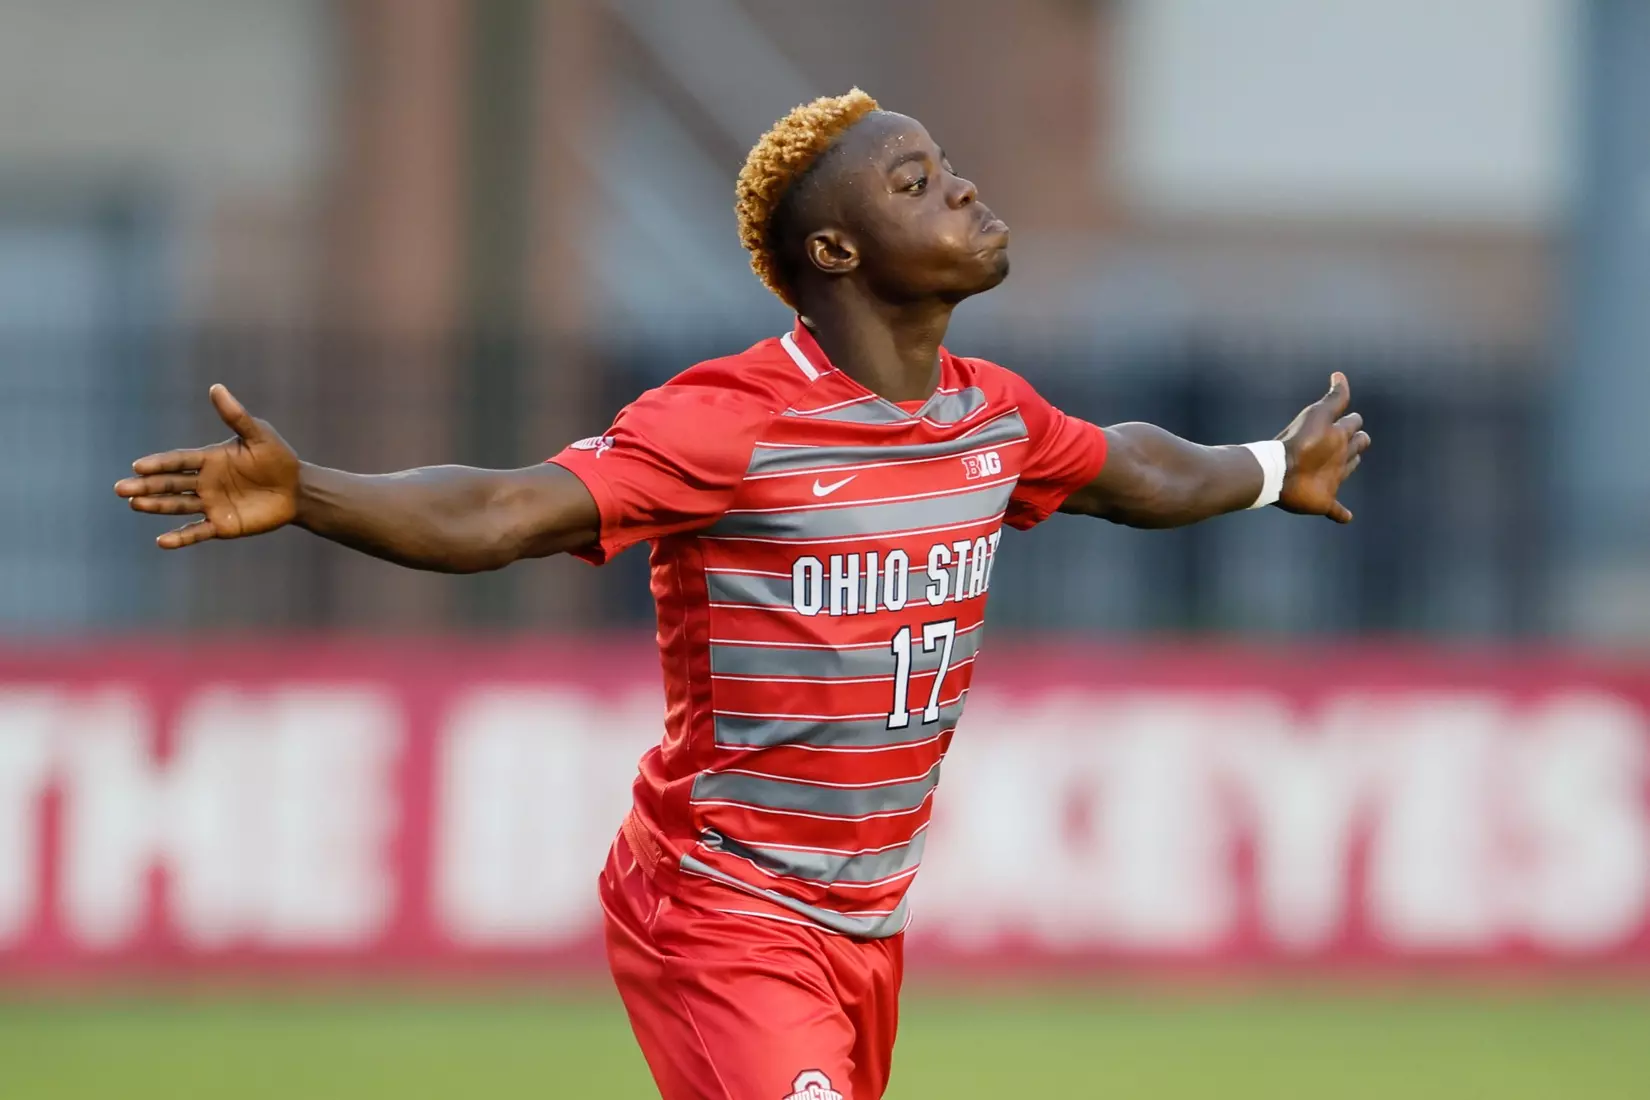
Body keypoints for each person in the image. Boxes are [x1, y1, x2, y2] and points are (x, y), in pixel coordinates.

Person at [115, 89, 1369, 1100]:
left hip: (865, 928)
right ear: (836, 250)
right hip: (720, 907)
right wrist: (313, 489)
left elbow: (1130, 467)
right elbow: (505, 509)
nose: (963, 186)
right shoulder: (731, 420)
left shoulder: (989, 413)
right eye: (914, 180)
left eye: (946, 164)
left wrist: (1269, 469)